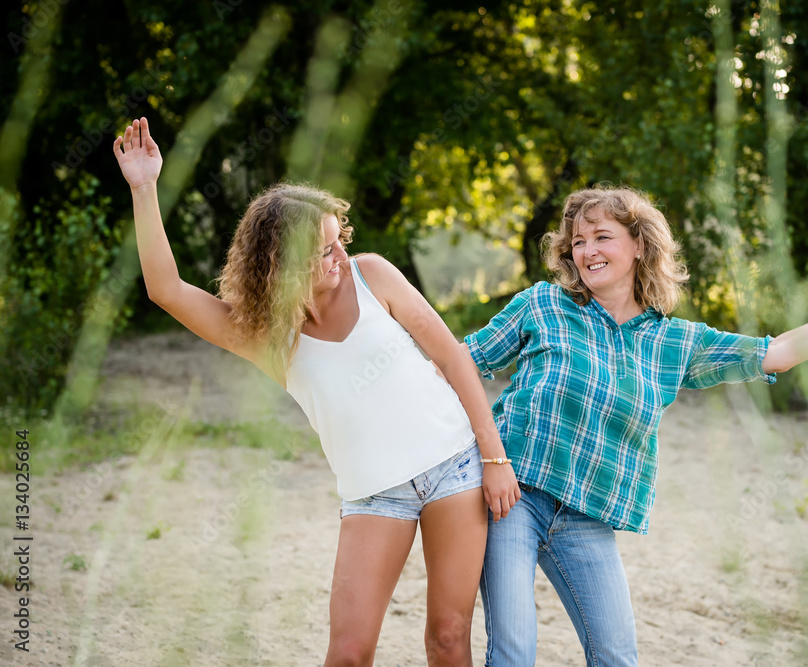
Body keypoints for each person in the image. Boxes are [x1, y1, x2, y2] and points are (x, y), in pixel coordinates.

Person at [112, 117, 520, 667]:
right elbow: (165, 289)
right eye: (323, 252)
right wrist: (144, 188)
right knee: (348, 653)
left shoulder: (373, 275)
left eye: (338, 240)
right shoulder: (265, 334)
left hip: (455, 467)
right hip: (375, 495)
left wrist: (492, 456)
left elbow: (452, 356)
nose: (341, 257)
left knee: (448, 637)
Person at [464, 185, 808, 666]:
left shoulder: (675, 343)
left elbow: (779, 353)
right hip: (512, 497)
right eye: (578, 242)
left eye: (602, 236)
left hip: (586, 516)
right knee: (514, 653)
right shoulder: (543, 305)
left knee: (618, 659)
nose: (587, 251)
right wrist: (492, 457)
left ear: (639, 245)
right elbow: (461, 362)